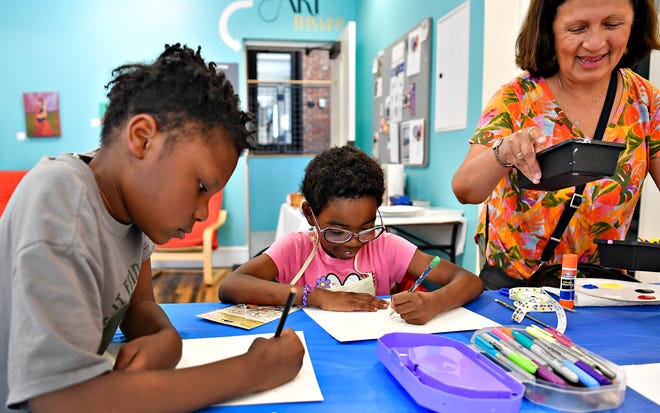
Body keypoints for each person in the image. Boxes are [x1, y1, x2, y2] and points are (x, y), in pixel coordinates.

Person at [0, 44, 304, 413]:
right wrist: (252, 370)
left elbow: (138, 303)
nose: (202, 213)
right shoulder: (62, 201)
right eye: (200, 188)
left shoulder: (131, 211)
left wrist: (166, 338)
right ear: (143, 138)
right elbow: (61, 399)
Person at [451, 0, 660, 289]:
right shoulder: (517, 97)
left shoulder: (646, 101)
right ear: (548, 29)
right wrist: (503, 152)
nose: (596, 43)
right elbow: (465, 189)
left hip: (599, 291)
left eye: (613, 25)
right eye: (577, 28)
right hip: (514, 287)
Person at [218, 146, 483, 325]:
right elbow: (231, 286)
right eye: (337, 232)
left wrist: (434, 302)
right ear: (310, 215)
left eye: (366, 228)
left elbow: (469, 281)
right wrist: (317, 296)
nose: (355, 242)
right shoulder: (295, 248)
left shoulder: (385, 246)